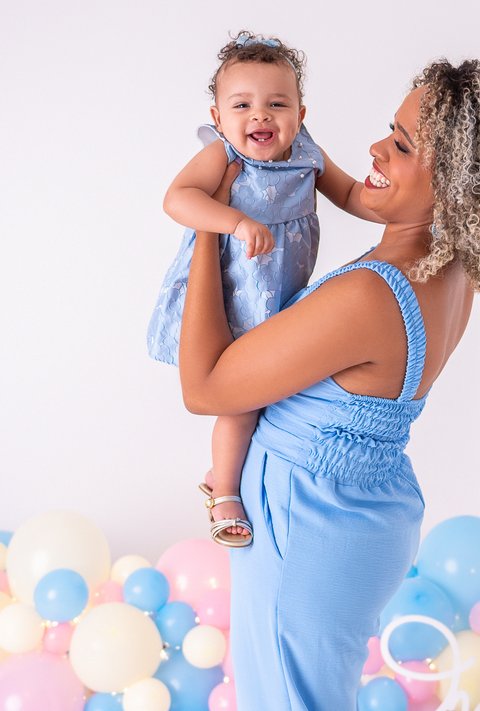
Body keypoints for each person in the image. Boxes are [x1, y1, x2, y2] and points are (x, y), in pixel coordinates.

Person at [177, 59, 480, 711]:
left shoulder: (372, 293)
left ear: (455, 183)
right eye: (389, 132)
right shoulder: (450, 271)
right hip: (363, 518)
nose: (375, 149)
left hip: (306, 526)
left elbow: (204, 386)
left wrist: (211, 225)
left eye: (401, 143)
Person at [147, 32, 381, 547]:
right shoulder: (223, 156)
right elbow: (177, 199)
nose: (260, 115)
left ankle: (239, 470)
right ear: (217, 117)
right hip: (231, 295)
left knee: (280, 390)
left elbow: (348, 193)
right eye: (242, 105)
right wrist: (234, 221)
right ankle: (224, 489)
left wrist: (391, 210)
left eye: (277, 104)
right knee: (241, 398)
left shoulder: (307, 153)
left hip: (281, 295)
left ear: (300, 114)